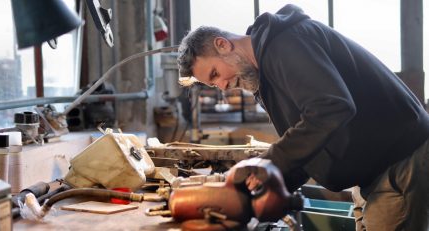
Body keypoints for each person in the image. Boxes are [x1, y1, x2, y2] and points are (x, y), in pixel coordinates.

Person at [176, 4, 429, 231]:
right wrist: (273, 177)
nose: (221, 85)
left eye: (215, 73)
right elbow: (312, 135)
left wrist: (270, 162)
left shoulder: (286, 44)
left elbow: (332, 107)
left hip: (398, 165)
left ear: (223, 44)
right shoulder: (265, 78)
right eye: (213, 83)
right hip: (372, 175)